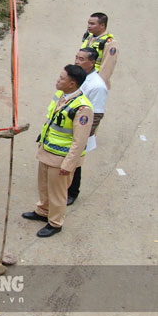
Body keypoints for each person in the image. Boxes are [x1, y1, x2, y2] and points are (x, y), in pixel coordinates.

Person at [23, 65, 92, 237]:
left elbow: (80, 141)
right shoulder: (61, 96)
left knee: (58, 193)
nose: (58, 80)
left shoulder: (83, 108)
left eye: (62, 78)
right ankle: (42, 211)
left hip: (61, 158)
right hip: (47, 151)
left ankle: (55, 223)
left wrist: (69, 164)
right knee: (44, 186)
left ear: (72, 84)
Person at [67, 48, 108, 205]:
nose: (77, 61)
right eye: (77, 58)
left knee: (75, 162)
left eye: (81, 59)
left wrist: (83, 136)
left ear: (92, 62)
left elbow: (96, 115)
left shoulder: (97, 86)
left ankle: (72, 192)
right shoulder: (76, 76)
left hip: (79, 130)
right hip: (66, 127)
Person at [80, 12, 118, 89]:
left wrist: (96, 85)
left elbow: (107, 67)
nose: (89, 26)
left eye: (92, 24)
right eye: (88, 23)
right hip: (83, 80)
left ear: (102, 25)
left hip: (95, 84)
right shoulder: (89, 37)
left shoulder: (110, 43)